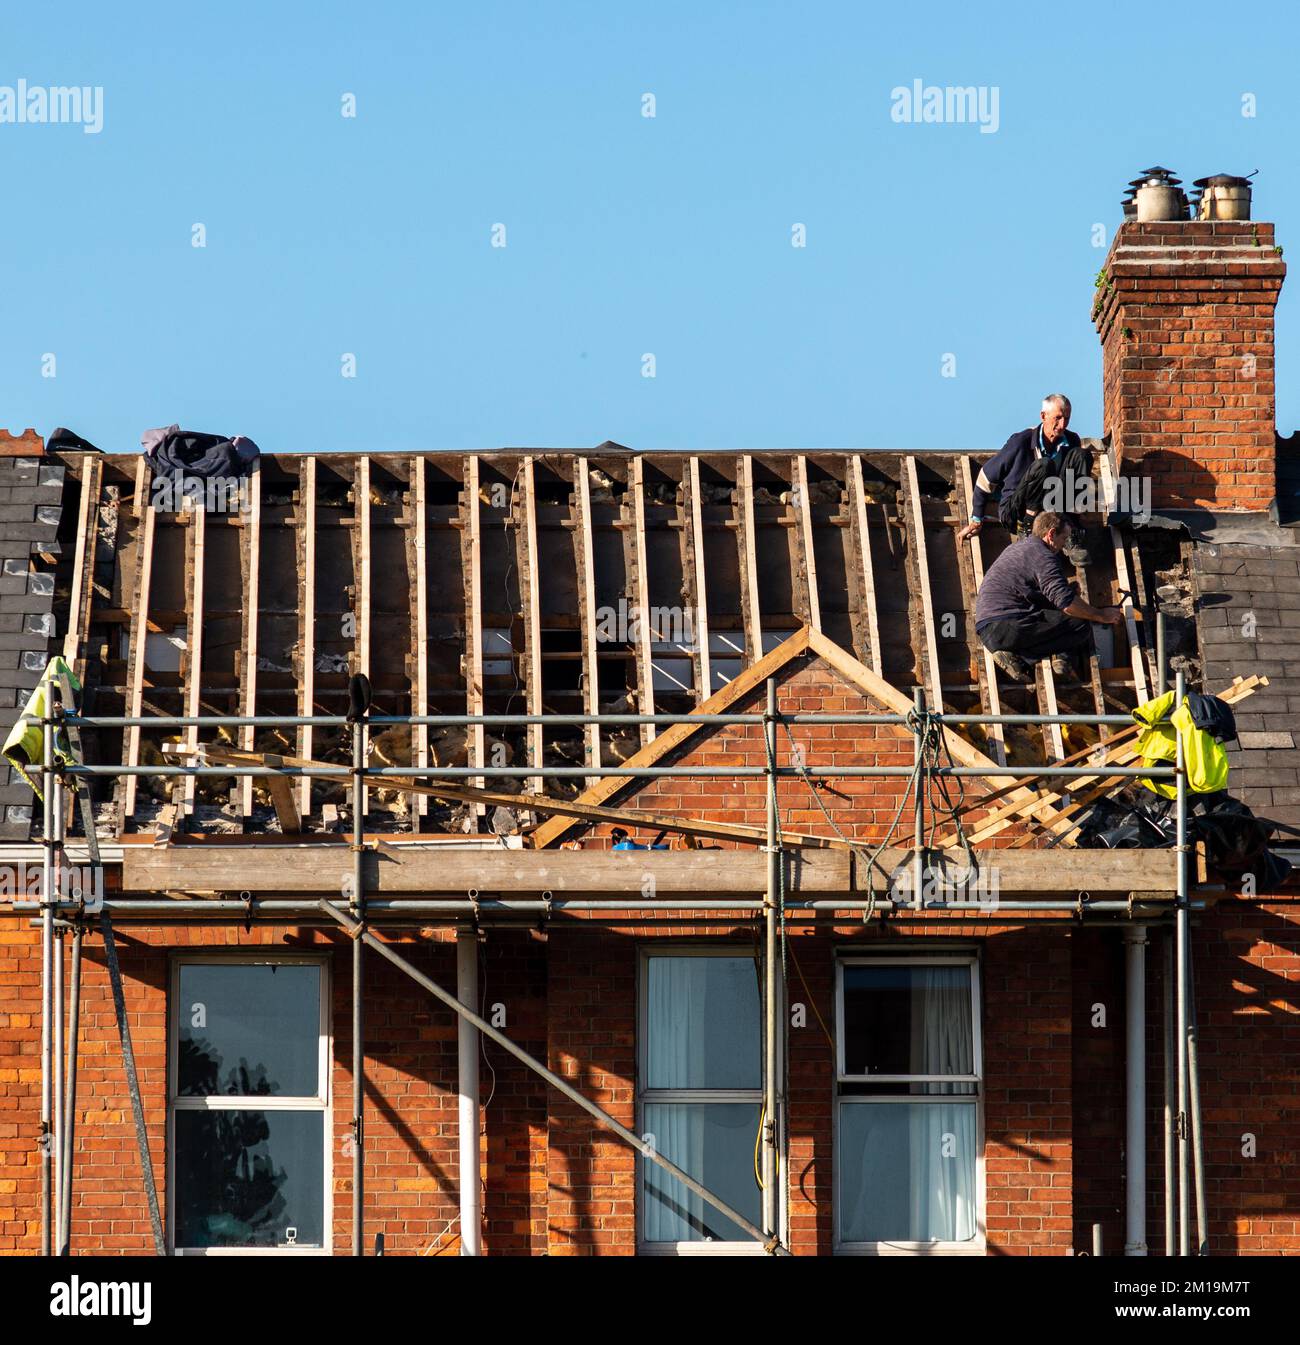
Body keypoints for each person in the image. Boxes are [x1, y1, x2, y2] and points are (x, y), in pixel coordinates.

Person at [974, 511, 1123, 681]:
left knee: (1065, 614)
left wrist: (1066, 591)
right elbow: (1067, 604)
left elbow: (1031, 595)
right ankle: (1025, 658)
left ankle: (1019, 656)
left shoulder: (1017, 548)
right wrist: (1101, 615)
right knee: (1080, 623)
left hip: (988, 630)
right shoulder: (1043, 555)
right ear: (1051, 534)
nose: (1064, 545)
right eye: (1064, 538)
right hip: (1010, 624)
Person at [958, 393, 1084, 542]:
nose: (1062, 424)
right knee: (1044, 465)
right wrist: (976, 518)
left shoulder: (1071, 441)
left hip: (1048, 510)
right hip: (1016, 512)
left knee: (1081, 455)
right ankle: (1027, 526)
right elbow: (985, 477)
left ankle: (1071, 528)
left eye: (1067, 419)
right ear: (1043, 416)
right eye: (1058, 418)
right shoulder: (1021, 442)